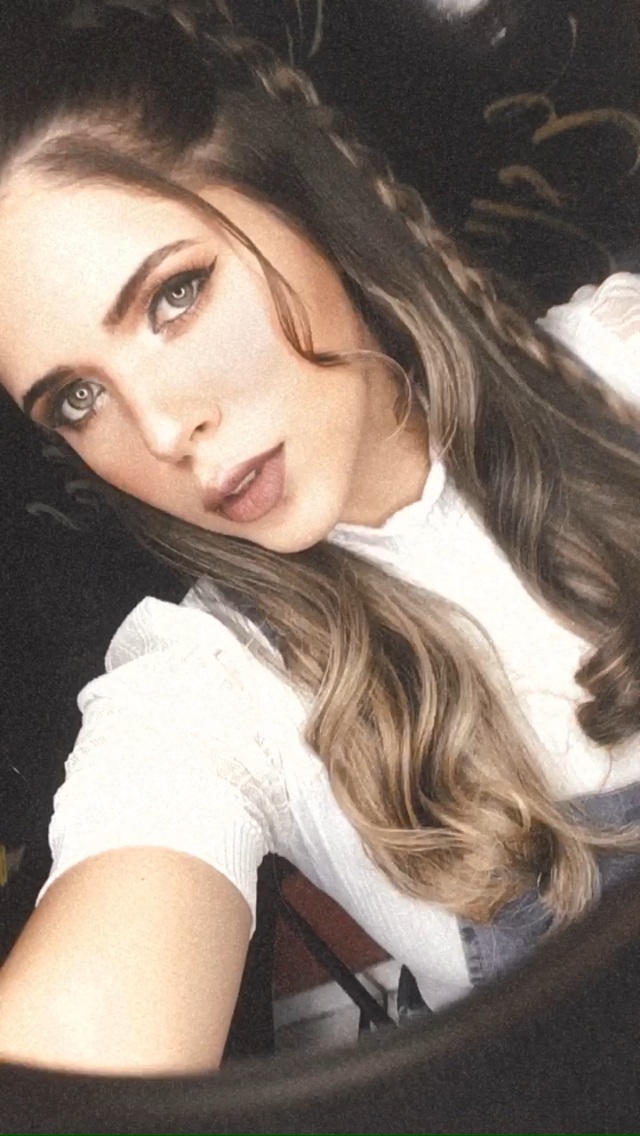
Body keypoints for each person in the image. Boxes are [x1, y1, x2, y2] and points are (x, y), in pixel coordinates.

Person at [1, 0, 640, 1076]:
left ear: (305, 202)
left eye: (174, 296)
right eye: (75, 399)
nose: (160, 431)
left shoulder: (622, 362)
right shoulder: (205, 694)